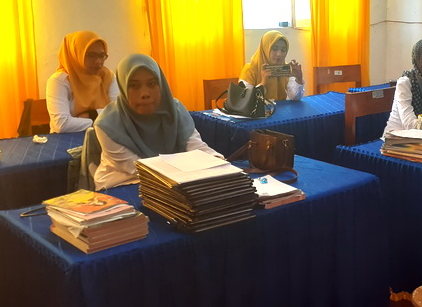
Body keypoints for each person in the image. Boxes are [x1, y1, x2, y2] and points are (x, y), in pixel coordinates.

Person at [94, 54, 222, 190]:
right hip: (122, 184)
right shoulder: (108, 124)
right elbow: (136, 168)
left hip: (175, 181)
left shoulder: (175, 110)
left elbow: (196, 146)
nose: (145, 93)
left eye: (152, 84)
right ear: (123, 87)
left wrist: (217, 162)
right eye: (134, 86)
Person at [46, 31, 119, 133]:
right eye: (91, 55)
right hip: (66, 139)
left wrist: (92, 114)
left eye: (102, 55)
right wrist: (103, 120)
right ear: (75, 54)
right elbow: (62, 124)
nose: (98, 61)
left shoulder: (108, 77)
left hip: (102, 136)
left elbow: (119, 114)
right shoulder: (59, 81)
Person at [239, 30, 304, 101]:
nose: (279, 54)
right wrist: (263, 83)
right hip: (258, 108)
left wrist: (298, 79)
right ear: (265, 48)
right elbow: (244, 100)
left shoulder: (284, 68)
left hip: (280, 107)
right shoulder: (250, 69)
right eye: (274, 49)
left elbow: (295, 97)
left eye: (283, 50)